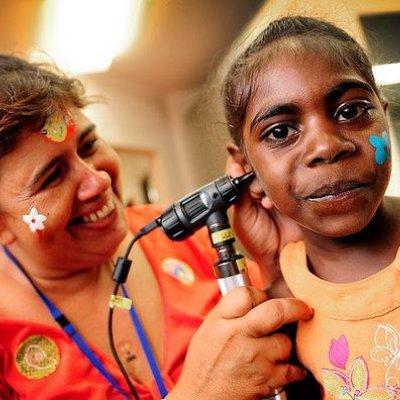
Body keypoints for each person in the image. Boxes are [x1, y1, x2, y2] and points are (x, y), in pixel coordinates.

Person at [0, 54, 313, 400]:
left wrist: (276, 265)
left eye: (88, 146)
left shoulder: (176, 232)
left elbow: (294, 352)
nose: (98, 180)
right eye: (52, 177)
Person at [224, 14, 400, 399]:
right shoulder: (284, 298)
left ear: (383, 117)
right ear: (247, 170)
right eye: (281, 131)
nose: (327, 146)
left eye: (351, 111)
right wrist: (272, 269)